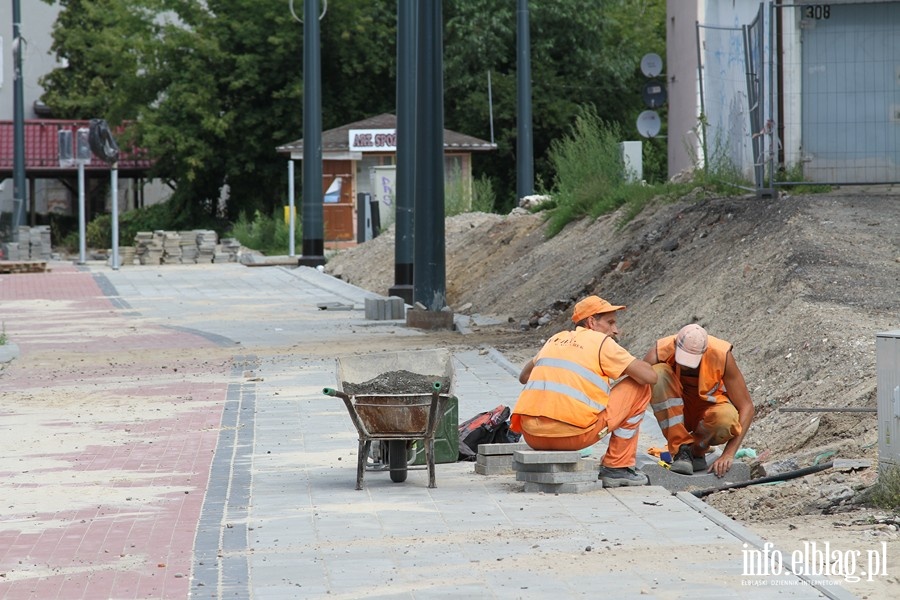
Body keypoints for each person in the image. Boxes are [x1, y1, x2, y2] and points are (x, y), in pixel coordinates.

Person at [511, 295, 658, 488]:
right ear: (591, 322)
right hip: (571, 437)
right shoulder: (601, 342)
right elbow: (649, 376)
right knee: (639, 387)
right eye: (610, 322)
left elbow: (523, 377)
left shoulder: (555, 339)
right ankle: (617, 468)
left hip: (532, 435)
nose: (615, 330)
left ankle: (617, 467)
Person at [643, 324, 755, 477]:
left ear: (704, 352)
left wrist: (728, 454)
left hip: (706, 410)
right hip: (677, 409)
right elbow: (634, 391)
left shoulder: (721, 355)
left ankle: (695, 449)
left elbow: (746, 406)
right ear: (675, 345)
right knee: (656, 374)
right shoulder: (661, 350)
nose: (685, 365)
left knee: (726, 419)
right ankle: (682, 448)